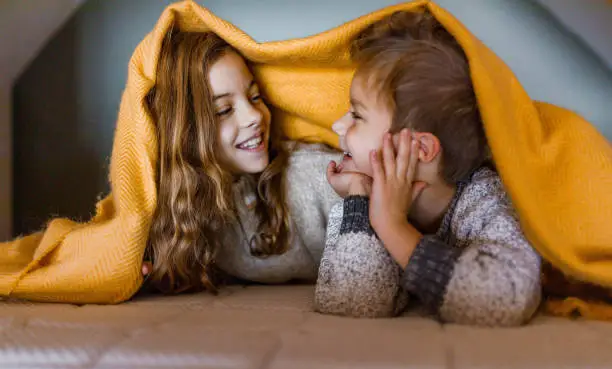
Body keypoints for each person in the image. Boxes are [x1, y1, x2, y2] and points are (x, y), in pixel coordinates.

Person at [314, 10, 542, 326]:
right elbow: (352, 301)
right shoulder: (361, 194)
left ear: (419, 149)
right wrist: (360, 202)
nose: (337, 125)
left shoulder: (483, 200)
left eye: (357, 115)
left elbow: (509, 298)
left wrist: (393, 227)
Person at [141, 27, 341, 293]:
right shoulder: (184, 208)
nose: (255, 116)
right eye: (224, 110)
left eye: (255, 97)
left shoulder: (317, 174)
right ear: (187, 135)